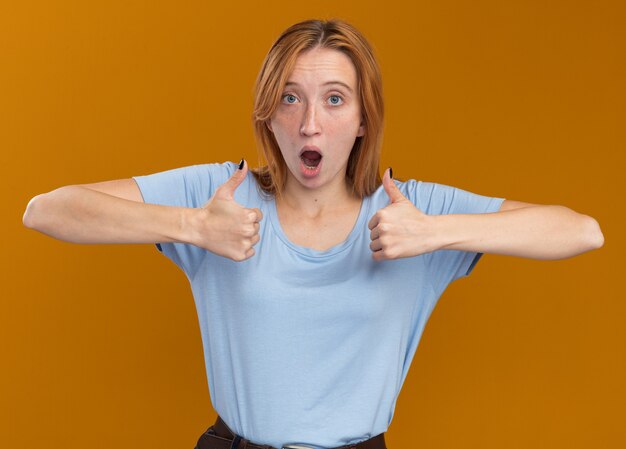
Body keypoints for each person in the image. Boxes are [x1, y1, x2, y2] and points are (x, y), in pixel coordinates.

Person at [22, 18, 603, 449]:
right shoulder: (221, 193)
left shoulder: (413, 210)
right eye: (290, 98)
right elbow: (46, 210)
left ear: (362, 120)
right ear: (267, 114)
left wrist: (436, 233)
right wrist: (191, 225)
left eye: (334, 100)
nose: (309, 123)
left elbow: (581, 231)